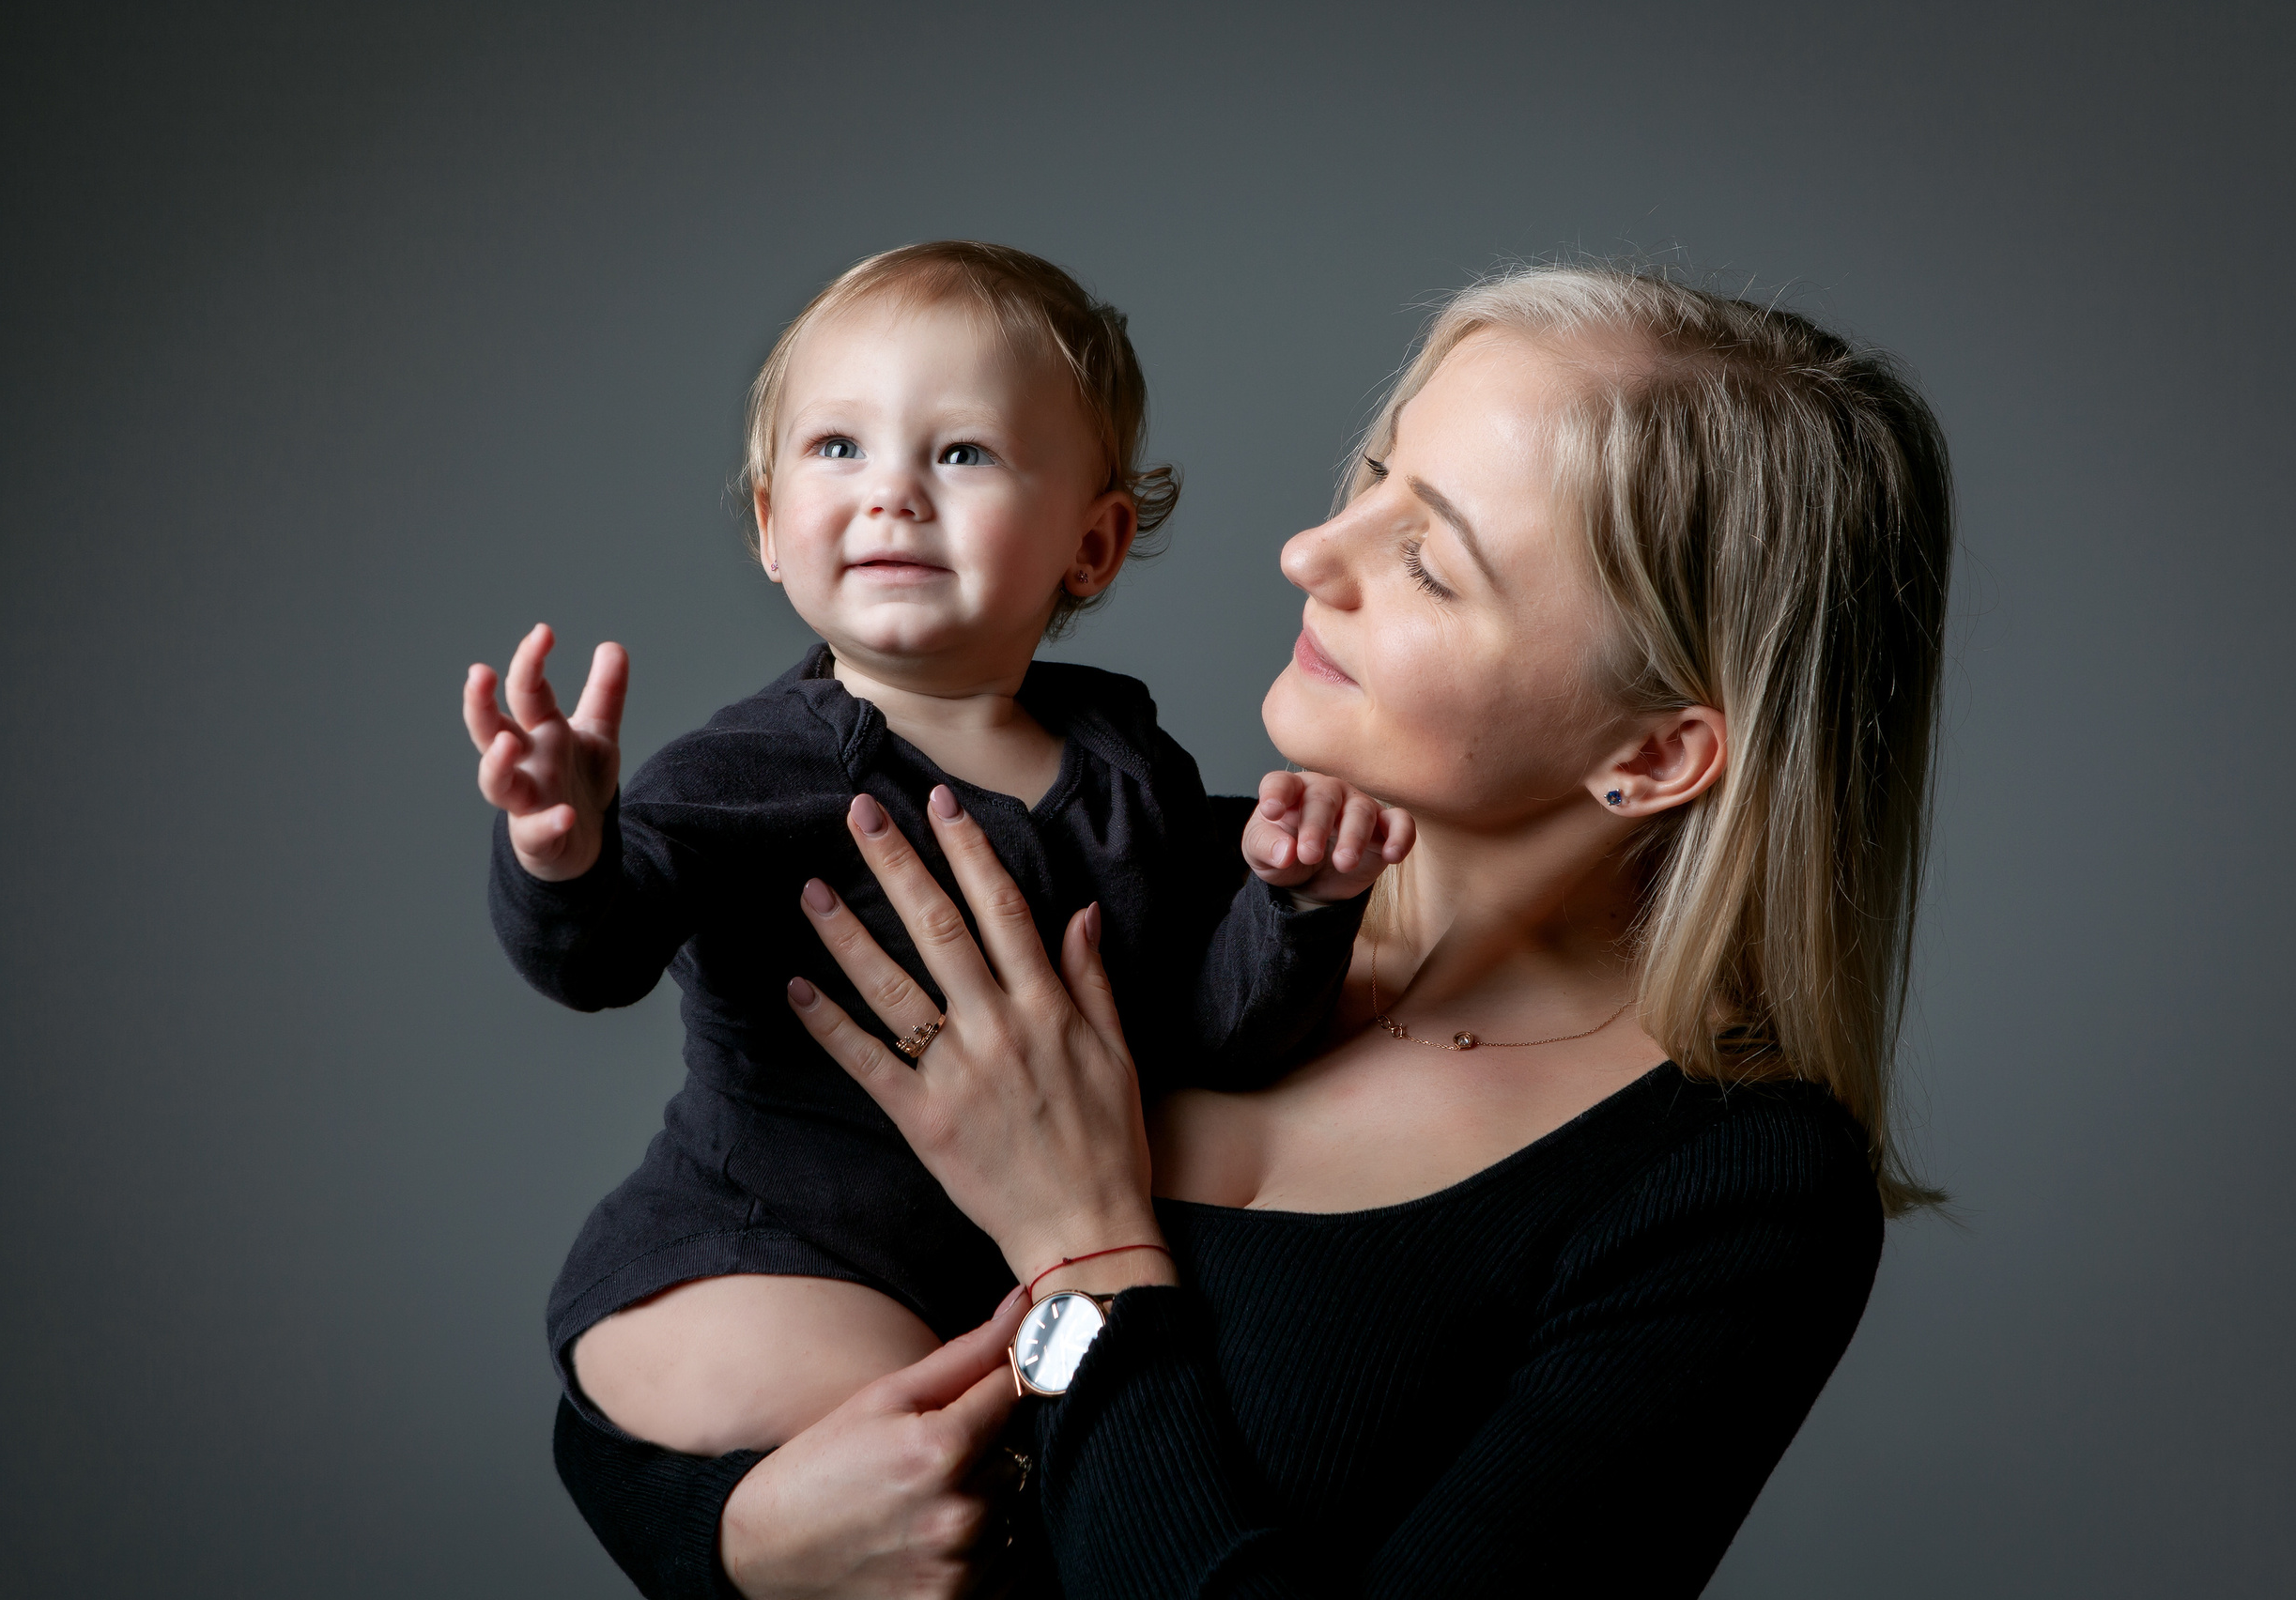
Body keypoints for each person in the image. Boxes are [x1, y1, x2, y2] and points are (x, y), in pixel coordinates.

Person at [552, 263, 1953, 1599]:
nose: (1309, 552)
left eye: (1430, 562)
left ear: (1651, 755)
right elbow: (699, 1306)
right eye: (1375, 476)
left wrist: (1079, 1248)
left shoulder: (1734, 1191)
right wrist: (729, 1543)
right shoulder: (1130, 866)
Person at [461, 242, 1407, 1460]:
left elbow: (1206, 1037)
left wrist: (1295, 903)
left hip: (977, 1281)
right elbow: (597, 955)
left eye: (962, 453)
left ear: (1094, 544)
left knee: (1084, 1443)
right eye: (837, 448)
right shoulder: (750, 767)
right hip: (748, 1269)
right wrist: (560, 848)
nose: (892, 493)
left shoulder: (1131, 769)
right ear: (768, 524)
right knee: (982, 1451)